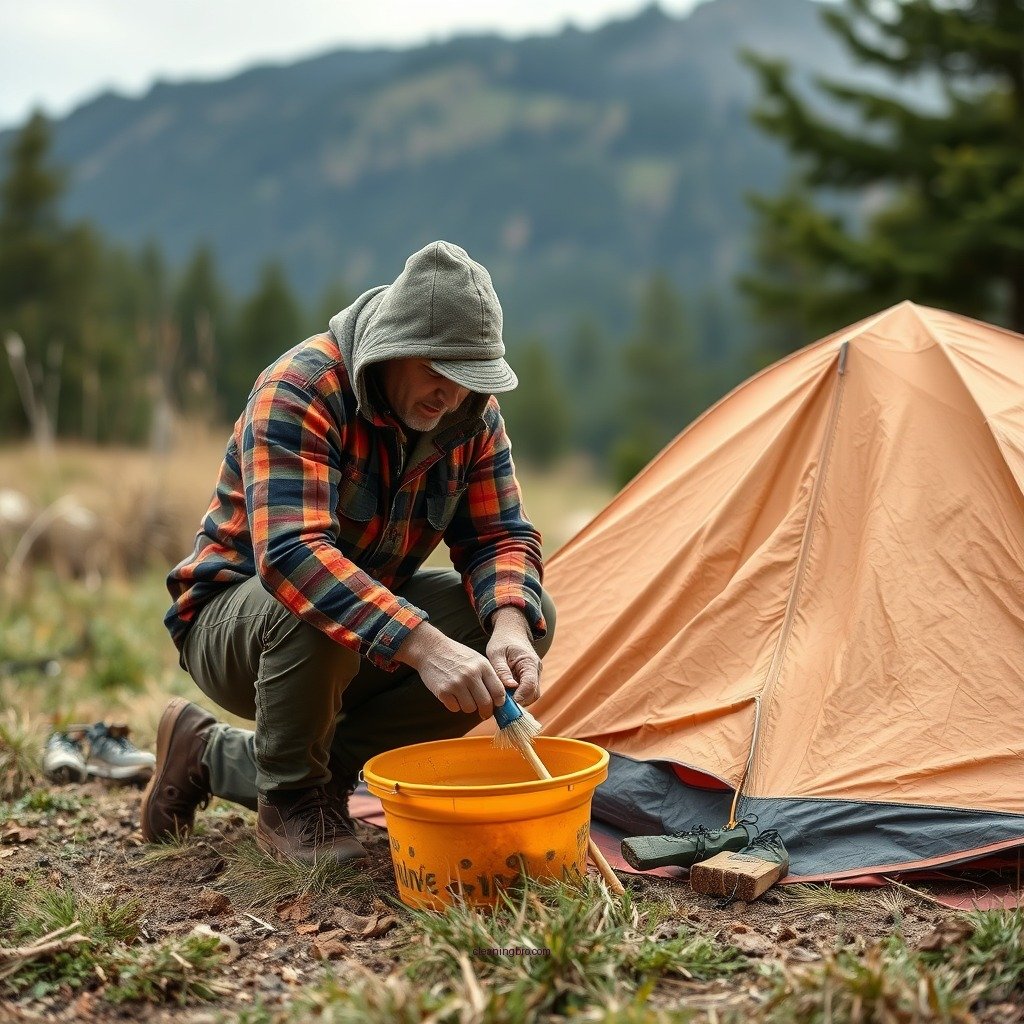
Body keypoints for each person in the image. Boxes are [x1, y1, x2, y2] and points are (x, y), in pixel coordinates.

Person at [141, 240, 555, 864]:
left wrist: (509, 624)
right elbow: (292, 557)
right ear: (394, 348)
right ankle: (290, 799)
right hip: (238, 627)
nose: (452, 398)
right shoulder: (302, 387)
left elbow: (499, 536)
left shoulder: (471, 416)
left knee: (519, 613)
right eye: (438, 374)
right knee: (318, 599)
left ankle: (226, 757)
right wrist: (426, 645)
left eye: (470, 382)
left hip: (359, 633)